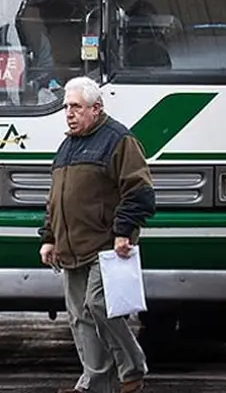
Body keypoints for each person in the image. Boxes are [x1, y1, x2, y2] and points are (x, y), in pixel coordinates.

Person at [38, 76, 156, 393]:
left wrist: (123, 233)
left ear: (96, 108)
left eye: (76, 107)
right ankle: (95, 383)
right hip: (70, 248)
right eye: (66, 107)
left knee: (100, 306)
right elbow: (56, 199)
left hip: (105, 247)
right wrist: (48, 237)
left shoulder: (118, 140)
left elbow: (140, 191)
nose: (69, 113)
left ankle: (132, 368)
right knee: (79, 318)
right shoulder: (67, 146)